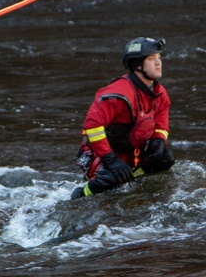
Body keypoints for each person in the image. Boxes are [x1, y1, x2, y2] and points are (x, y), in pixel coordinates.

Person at [70, 37, 174, 199]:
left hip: (131, 151)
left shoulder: (159, 93)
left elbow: (162, 123)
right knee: (109, 178)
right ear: (137, 65)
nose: (158, 63)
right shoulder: (117, 94)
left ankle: (132, 177)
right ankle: (80, 195)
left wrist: (159, 141)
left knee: (165, 158)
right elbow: (92, 126)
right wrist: (110, 160)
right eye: (151, 59)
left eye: (159, 58)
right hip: (101, 153)